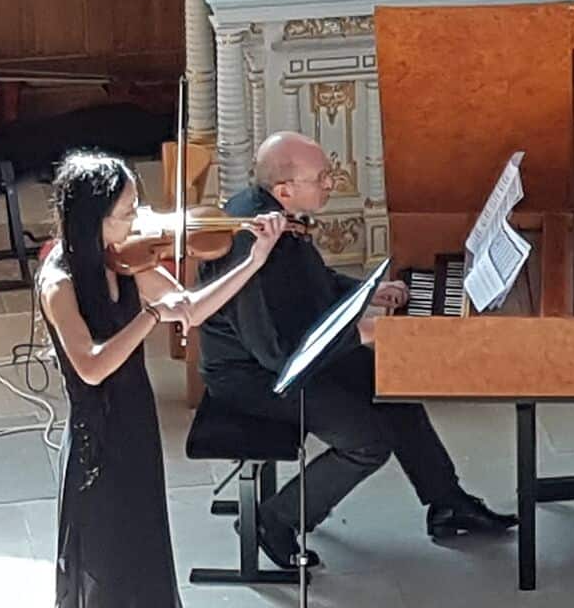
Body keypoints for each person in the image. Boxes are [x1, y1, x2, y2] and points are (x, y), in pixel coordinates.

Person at [37, 150, 287, 608]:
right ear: (93, 217)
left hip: (136, 428)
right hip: (98, 442)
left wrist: (253, 259)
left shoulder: (126, 259)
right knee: (102, 572)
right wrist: (148, 316)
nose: (139, 220)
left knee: (134, 557)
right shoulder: (59, 282)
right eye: (126, 212)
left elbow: (191, 309)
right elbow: (91, 366)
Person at [196, 132, 516, 567]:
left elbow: (310, 286)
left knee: (392, 383)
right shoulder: (252, 244)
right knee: (366, 442)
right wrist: (360, 333)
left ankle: (447, 502)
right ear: (285, 190)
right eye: (322, 177)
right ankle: (275, 520)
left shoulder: (278, 217)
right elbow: (277, 353)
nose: (331, 183)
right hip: (253, 377)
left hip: (295, 351)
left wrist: (367, 292)